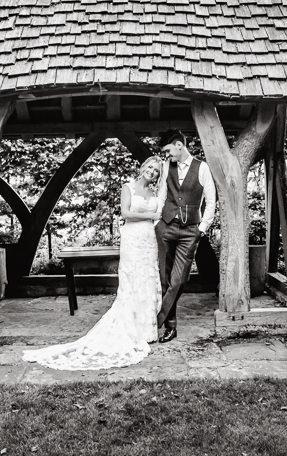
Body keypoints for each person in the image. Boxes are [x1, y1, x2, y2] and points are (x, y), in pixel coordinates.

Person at [22, 156, 164, 370]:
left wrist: (154, 217)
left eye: (156, 170)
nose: (152, 172)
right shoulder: (128, 187)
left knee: (148, 278)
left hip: (149, 241)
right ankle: (130, 328)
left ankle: (146, 330)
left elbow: (159, 215)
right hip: (133, 239)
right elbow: (126, 213)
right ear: (143, 167)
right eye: (150, 167)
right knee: (132, 280)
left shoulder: (155, 193)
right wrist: (150, 215)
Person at [155, 130, 216, 343]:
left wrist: (202, 228)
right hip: (166, 228)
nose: (166, 156)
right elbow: (162, 195)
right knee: (165, 278)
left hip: (191, 230)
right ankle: (170, 327)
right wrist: (157, 223)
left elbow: (211, 200)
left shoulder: (203, 168)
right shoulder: (165, 167)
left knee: (179, 279)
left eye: (168, 151)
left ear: (179, 145)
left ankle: (156, 320)